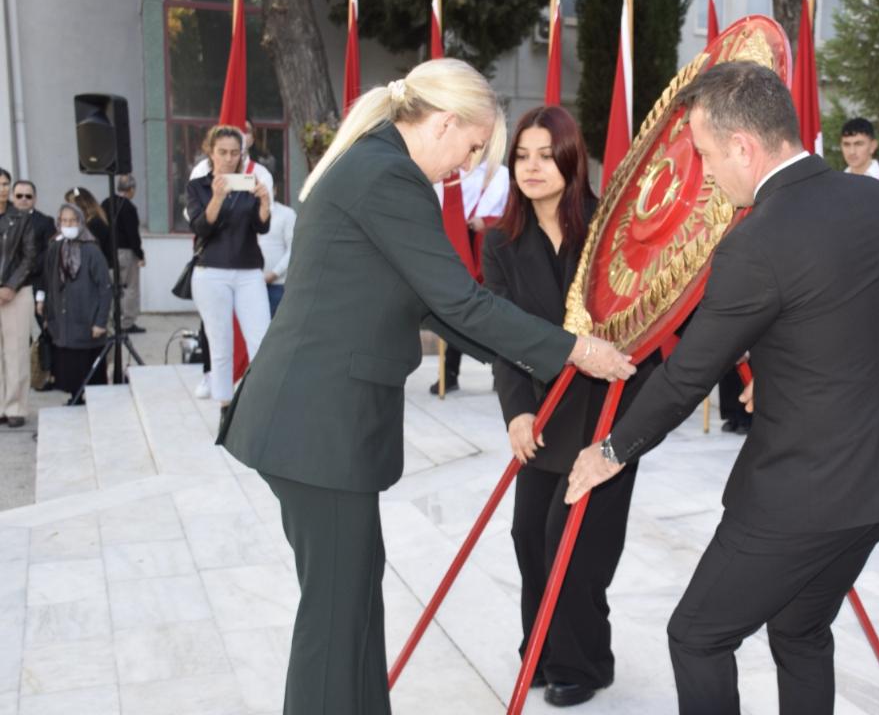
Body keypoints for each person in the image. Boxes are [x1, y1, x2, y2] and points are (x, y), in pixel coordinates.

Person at [217, 59, 635, 715]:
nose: (466, 167)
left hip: (320, 423)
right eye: (472, 148)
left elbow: (434, 308)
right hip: (317, 427)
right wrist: (575, 350)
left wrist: (546, 364)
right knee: (335, 618)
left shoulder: (375, 164)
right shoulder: (388, 176)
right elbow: (461, 301)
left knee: (356, 599)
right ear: (444, 123)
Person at [566, 62, 879, 715]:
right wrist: (784, 368)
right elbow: (846, 313)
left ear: (743, 146)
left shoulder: (756, 242)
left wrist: (611, 451)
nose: (707, 174)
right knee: (799, 628)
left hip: (807, 489)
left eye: (706, 156)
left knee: (698, 635)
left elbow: (686, 376)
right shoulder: (873, 200)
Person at [484, 105, 657, 708]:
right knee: (529, 534)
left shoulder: (614, 230)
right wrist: (515, 412)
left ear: (570, 159)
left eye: (544, 155)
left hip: (609, 409)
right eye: (521, 156)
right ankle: (540, 648)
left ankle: (582, 661)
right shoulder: (501, 244)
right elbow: (503, 338)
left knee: (576, 542)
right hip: (543, 411)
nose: (531, 167)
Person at [185, 124, 273, 410]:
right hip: (211, 272)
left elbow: (261, 226)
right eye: (222, 152)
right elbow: (201, 227)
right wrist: (217, 196)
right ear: (211, 152)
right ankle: (225, 405)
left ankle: (260, 403)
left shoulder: (249, 183)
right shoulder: (198, 186)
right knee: (220, 343)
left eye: (234, 153)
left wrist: (264, 204)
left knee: (261, 339)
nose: (228, 158)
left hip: (249, 271)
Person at [434, 158, 511, 392]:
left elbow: (509, 215)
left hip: (488, 248)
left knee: (495, 312)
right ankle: (449, 372)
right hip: (459, 245)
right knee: (458, 311)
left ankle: (501, 374)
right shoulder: (450, 171)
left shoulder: (501, 174)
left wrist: (486, 222)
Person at [34, 203, 112, 404]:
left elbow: (105, 288)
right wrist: (42, 302)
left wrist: (100, 321)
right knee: (68, 365)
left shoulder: (91, 250)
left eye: (72, 221)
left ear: (81, 222)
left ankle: (90, 400)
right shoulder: (55, 247)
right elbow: (47, 277)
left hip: (86, 320)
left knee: (88, 366)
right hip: (63, 321)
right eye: (64, 221)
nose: (68, 225)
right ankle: (75, 398)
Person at [11, 180, 56, 391]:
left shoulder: (45, 222)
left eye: (28, 196)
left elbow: (48, 253)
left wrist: (25, 270)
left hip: (36, 283)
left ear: (35, 199)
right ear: (13, 197)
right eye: (19, 195)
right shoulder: (5, 220)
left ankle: (48, 374)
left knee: (45, 331)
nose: (23, 200)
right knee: (17, 337)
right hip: (10, 289)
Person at [0, 168, 36, 427]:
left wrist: (10, 286)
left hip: (17, 292)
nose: (1, 189)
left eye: (5, 184)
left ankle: (15, 408)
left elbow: (30, 256)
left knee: (16, 351)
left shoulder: (22, 218)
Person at [104, 174, 146, 333]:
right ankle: (126, 323)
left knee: (111, 287)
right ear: (131, 189)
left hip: (108, 252)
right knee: (129, 288)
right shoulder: (128, 207)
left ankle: (110, 321)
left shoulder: (106, 203)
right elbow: (132, 234)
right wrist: (140, 254)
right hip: (126, 252)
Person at [258, 186, 295, 317]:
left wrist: (274, 274)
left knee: (277, 325)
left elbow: (293, 249)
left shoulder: (287, 214)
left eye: (267, 187)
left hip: (278, 285)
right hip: (251, 285)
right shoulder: (247, 213)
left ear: (274, 190)